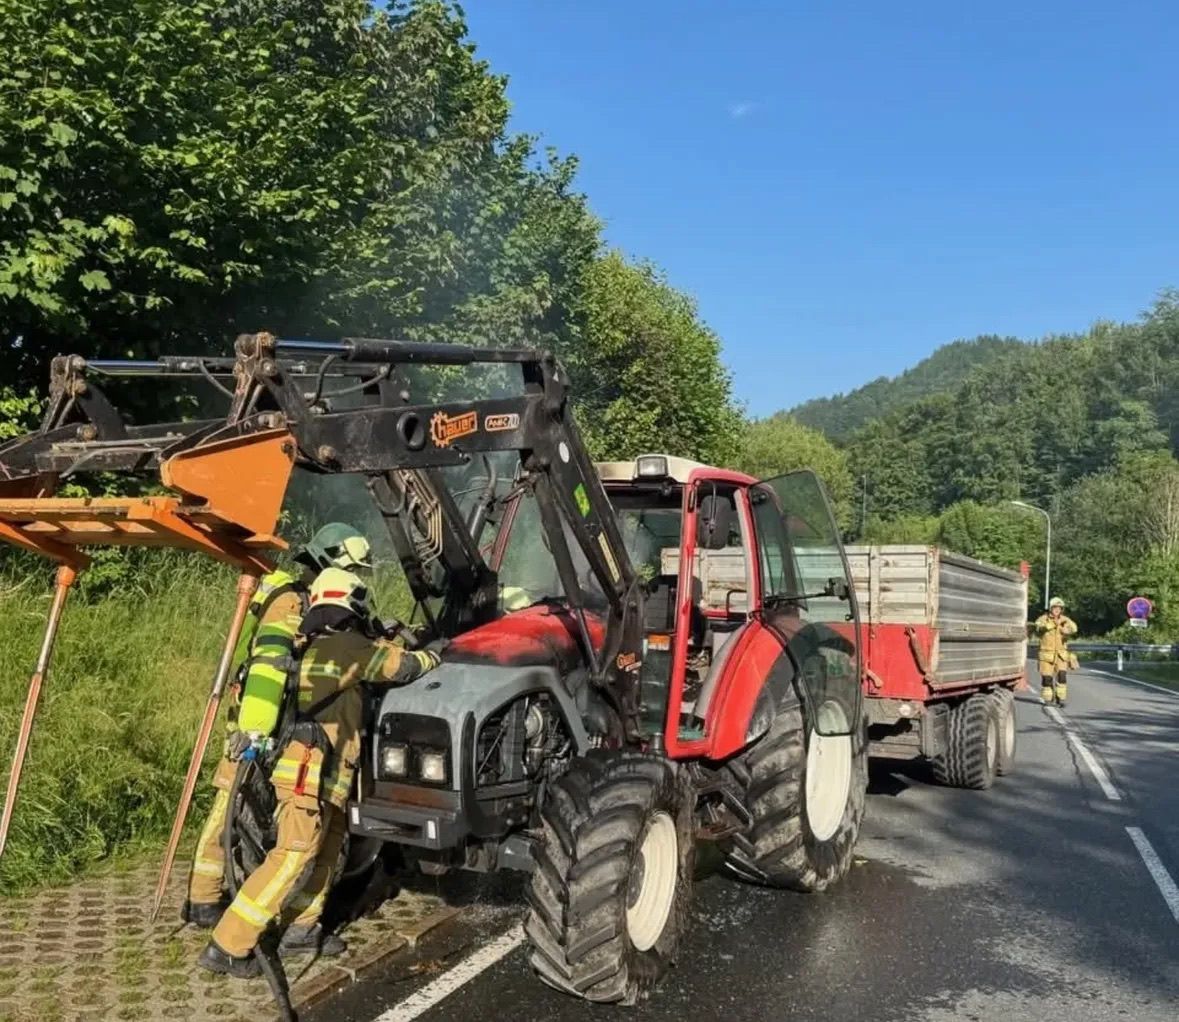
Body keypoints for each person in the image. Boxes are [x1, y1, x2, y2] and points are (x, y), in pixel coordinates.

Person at [199, 567, 442, 977]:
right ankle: (228, 943)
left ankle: (302, 929)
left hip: (326, 773)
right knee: (293, 853)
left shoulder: (307, 643)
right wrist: (433, 653)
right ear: (352, 605)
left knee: (329, 850)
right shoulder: (346, 645)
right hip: (307, 774)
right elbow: (400, 667)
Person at [183, 523, 374, 929]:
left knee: (246, 808)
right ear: (327, 560)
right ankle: (202, 898)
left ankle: (223, 892)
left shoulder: (306, 599)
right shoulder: (289, 600)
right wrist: (254, 730)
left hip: (273, 721)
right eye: (350, 568)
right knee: (230, 804)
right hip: (255, 720)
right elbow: (270, 666)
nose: (355, 578)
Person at [1035, 596, 1078, 707]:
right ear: (1050, 608)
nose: (1057, 610)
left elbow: (1074, 628)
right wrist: (1052, 624)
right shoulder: (1043, 619)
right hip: (1047, 655)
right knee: (1047, 678)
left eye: (1059, 608)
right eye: (1055, 607)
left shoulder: (1065, 620)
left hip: (1061, 655)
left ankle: (1061, 699)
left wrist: (1067, 630)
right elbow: (1038, 628)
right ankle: (1048, 699)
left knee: (1062, 677)